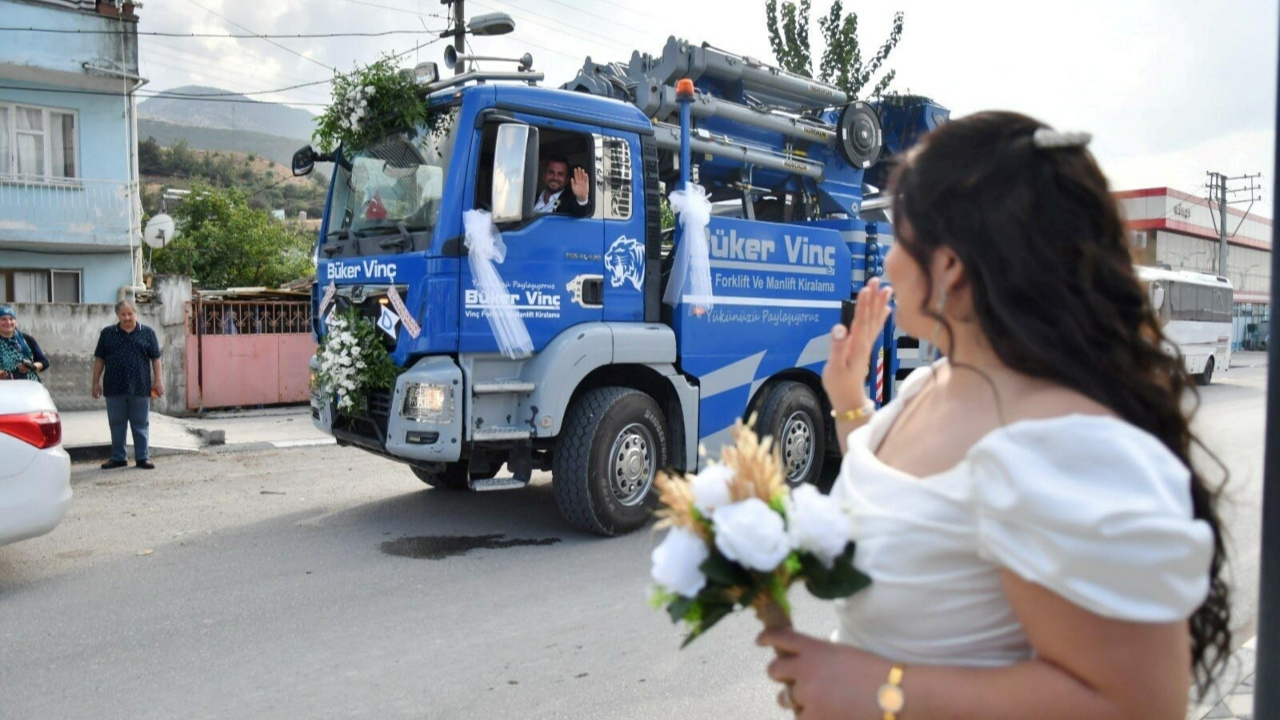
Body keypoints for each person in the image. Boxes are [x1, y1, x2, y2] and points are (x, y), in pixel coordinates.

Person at [758, 111, 1230, 720]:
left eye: (900, 238)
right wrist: (848, 399)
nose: (887, 264)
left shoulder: (1054, 442)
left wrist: (882, 690)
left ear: (950, 266)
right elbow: (915, 506)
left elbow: (1137, 703)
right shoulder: (935, 381)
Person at [92, 300, 164, 470]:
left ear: (136, 314)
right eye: (123, 314)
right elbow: (99, 359)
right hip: (113, 386)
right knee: (116, 423)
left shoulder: (147, 333)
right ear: (118, 315)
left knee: (140, 423)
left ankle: (142, 457)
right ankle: (118, 457)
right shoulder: (108, 334)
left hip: (139, 386)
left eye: (130, 314)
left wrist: (158, 381)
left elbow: (156, 359)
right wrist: (95, 383)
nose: (126, 317)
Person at [0, 305, 50, 381]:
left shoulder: (27, 339)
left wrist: (31, 367)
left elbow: (44, 362)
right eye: (3, 319)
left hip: (29, 387)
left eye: (11, 319)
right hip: (4, 389)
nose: (8, 322)